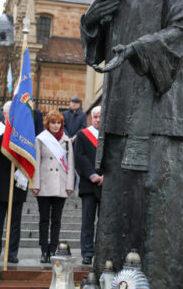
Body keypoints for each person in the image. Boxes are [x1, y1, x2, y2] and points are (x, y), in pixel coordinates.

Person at [80, 0, 183, 285]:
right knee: (116, 202)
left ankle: (162, 281)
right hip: (117, 107)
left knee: (157, 202)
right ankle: (111, 278)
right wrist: (90, 22)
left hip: (158, 105)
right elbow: (95, 52)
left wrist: (137, 50)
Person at [0, 101, 27, 264]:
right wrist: (8, 132)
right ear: (4, 113)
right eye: (11, 112)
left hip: (17, 181)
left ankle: (12, 252)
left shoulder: (24, 132)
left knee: (15, 221)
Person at [32, 110, 75, 263]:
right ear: (47, 124)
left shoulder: (67, 141)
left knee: (56, 220)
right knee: (44, 220)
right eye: (53, 123)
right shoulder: (40, 139)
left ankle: (53, 249)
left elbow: (70, 164)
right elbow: (36, 162)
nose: (55, 126)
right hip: (44, 184)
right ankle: (44, 250)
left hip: (60, 185)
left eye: (58, 123)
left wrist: (69, 185)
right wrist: (35, 184)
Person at [74, 106, 103, 265]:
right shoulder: (83, 134)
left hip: (106, 184)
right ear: (91, 118)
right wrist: (91, 174)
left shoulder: (110, 136)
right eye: (96, 117)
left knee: (104, 221)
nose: (98, 119)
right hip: (88, 185)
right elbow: (79, 156)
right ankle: (87, 253)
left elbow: (113, 156)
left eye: (101, 116)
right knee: (87, 220)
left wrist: (106, 175)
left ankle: (102, 251)